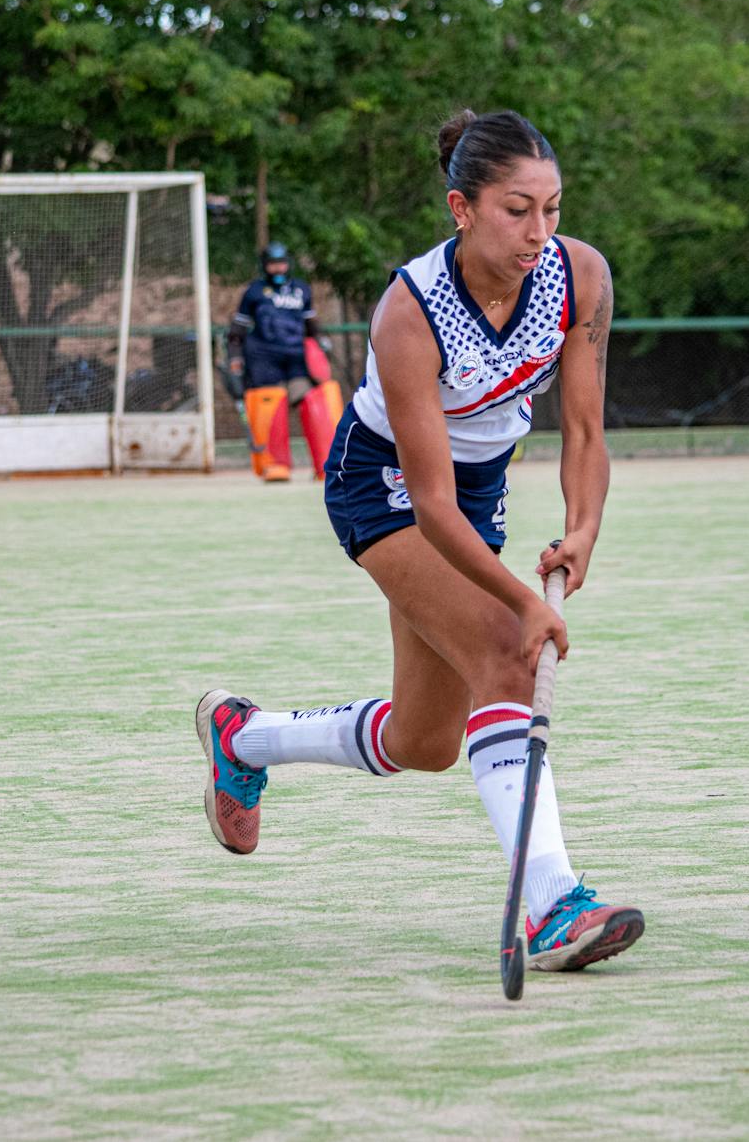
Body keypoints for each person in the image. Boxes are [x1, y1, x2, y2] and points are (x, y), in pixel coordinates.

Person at [195, 110, 643, 973]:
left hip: (476, 492)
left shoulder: (579, 278)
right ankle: (553, 902)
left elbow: (584, 433)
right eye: (518, 209)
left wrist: (582, 530)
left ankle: (243, 737)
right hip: (385, 484)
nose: (540, 233)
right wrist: (521, 600)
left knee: (426, 741)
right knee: (506, 656)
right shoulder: (410, 312)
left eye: (551, 208)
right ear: (461, 208)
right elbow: (431, 504)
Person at [227, 242, 338, 481]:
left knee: (312, 402)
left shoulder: (301, 290)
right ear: (265, 266)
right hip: (264, 357)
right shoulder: (254, 292)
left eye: (281, 263)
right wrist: (235, 358)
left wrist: (322, 345)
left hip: (298, 358)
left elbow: (312, 326)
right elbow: (238, 330)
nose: (278, 269)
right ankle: (275, 464)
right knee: (272, 406)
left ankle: (325, 465)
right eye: (272, 264)